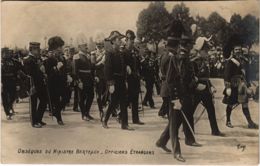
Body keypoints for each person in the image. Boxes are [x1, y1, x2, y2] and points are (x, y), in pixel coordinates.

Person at [156, 20, 202, 162]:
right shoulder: (171, 58)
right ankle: (176, 152)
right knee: (175, 123)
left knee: (174, 121)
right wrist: (176, 98)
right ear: (176, 45)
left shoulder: (166, 55)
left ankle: (162, 142)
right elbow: (171, 80)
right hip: (171, 93)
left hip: (169, 91)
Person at [189, 37, 224, 136]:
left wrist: (211, 86)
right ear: (200, 50)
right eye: (205, 50)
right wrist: (196, 85)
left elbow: (206, 78)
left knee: (211, 110)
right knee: (191, 110)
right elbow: (191, 77)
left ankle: (215, 130)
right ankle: (189, 131)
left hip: (206, 89)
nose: (207, 52)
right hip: (197, 89)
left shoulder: (205, 61)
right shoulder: (194, 62)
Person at [223, 34, 258, 129]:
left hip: (242, 86)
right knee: (230, 104)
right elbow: (226, 75)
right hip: (233, 86)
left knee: (245, 104)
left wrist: (249, 85)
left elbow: (245, 75)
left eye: (239, 50)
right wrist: (228, 87)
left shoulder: (243, 61)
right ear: (233, 51)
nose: (238, 51)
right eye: (236, 50)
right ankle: (228, 121)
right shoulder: (230, 62)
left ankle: (250, 122)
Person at [102, 30, 134, 130]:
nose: (121, 41)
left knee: (124, 102)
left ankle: (124, 124)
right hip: (114, 81)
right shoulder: (109, 53)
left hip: (121, 80)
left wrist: (127, 67)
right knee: (113, 102)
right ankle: (105, 120)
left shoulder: (120, 53)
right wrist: (111, 83)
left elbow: (123, 65)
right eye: (118, 39)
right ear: (114, 41)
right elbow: (107, 69)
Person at [23, 42, 48, 127]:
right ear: (31, 49)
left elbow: (41, 70)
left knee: (44, 101)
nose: (38, 50)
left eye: (38, 49)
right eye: (36, 49)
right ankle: (34, 122)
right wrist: (40, 70)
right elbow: (29, 73)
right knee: (33, 103)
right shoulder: (27, 59)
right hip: (33, 83)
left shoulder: (38, 58)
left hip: (40, 83)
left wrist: (43, 73)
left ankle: (39, 119)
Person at [45, 36, 67, 125]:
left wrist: (67, 77)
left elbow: (65, 70)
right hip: (53, 83)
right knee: (57, 101)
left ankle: (55, 112)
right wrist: (56, 68)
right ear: (55, 48)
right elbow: (48, 73)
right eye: (60, 47)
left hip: (62, 81)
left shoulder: (62, 58)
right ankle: (59, 118)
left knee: (66, 98)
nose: (61, 49)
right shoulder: (49, 59)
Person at [124, 30, 145, 125]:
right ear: (126, 40)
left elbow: (138, 65)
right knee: (127, 99)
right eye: (130, 40)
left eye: (132, 40)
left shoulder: (134, 51)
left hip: (135, 78)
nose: (132, 42)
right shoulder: (123, 52)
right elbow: (121, 65)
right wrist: (126, 67)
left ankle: (135, 119)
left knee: (135, 98)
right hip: (128, 79)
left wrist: (140, 77)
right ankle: (121, 116)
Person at [73, 43, 95, 121]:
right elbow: (75, 71)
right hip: (82, 79)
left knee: (91, 96)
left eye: (86, 45)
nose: (86, 46)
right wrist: (79, 81)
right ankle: (83, 114)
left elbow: (91, 69)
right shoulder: (77, 56)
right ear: (79, 47)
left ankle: (87, 112)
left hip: (89, 79)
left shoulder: (88, 55)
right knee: (81, 98)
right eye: (84, 45)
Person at [1, 47, 21, 120]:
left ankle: (9, 107)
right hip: (4, 82)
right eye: (5, 53)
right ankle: (7, 113)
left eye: (8, 53)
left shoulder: (13, 62)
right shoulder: (1, 62)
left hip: (12, 81)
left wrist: (17, 83)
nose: (7, 54)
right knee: (5, 98)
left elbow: (17, 73)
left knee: (13, 96)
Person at [91, 38, 106, 120]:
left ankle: (104, 108)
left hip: (105, 77)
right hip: (98, 77)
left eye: (101, 45)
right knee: (98, 96)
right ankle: (101, 111)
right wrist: (102, 61)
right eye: (98, 45)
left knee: (105, 94)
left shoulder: (105, 53)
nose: (100, 46)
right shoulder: (93, 54)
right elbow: (93, 66)